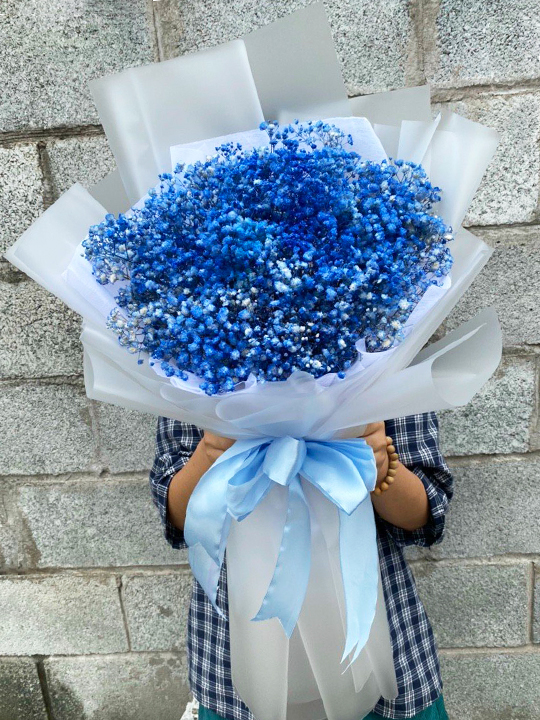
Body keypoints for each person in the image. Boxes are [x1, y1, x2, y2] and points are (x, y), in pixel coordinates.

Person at [150, 413, 452, 720]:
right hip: (234, 646)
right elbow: (177, 518)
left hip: (377, 632)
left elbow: (425, 515)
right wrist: (210, 453)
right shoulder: (187, 387)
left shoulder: (383, 381)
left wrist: (381, 467)